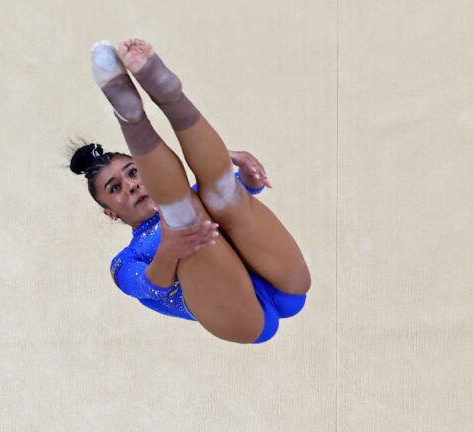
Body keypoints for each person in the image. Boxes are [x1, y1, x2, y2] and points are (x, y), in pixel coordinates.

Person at [69, 38, 310, 344]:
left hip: (286, 278)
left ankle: (169, 94)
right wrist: (170, 251)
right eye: (115, 188)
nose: (131, 185)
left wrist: (249, 178)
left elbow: (250, 198)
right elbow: (148, 286)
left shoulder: (199, 194)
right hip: (242, 320)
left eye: (133, 172)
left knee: (223, 191)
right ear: (110, 212)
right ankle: (131, 118)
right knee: (184, 216)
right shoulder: (125, 261)